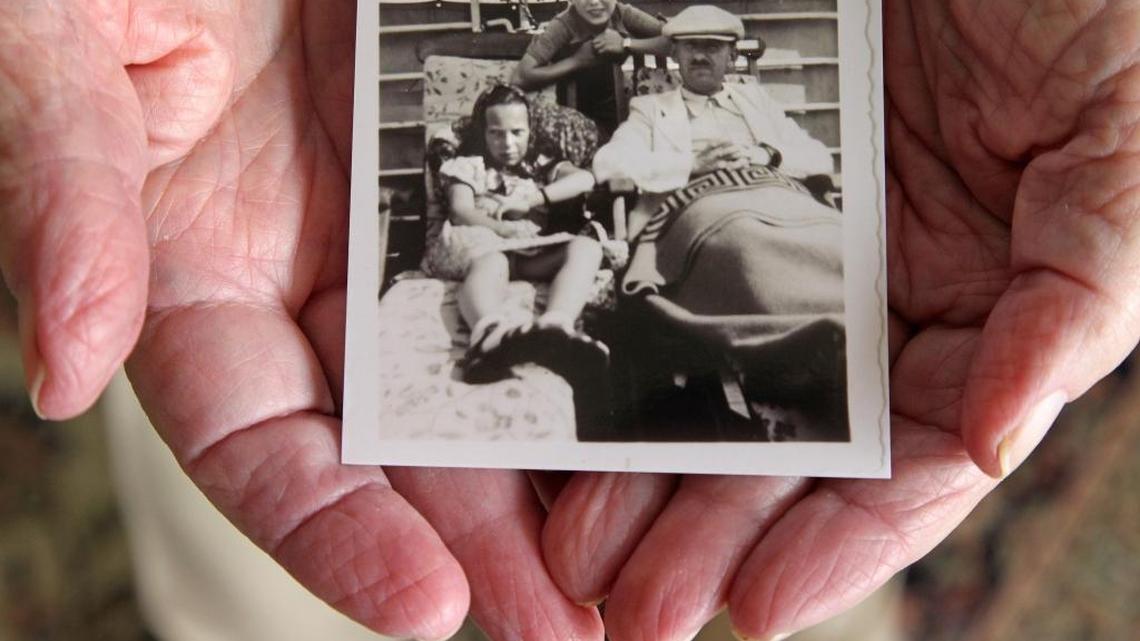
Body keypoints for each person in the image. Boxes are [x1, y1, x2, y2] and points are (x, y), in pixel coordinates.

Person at [2, 1, 1137, 641]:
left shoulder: (721, 104)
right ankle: (528, 338)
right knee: (302, 551)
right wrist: (567, 143)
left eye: (711, 53)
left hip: (763, 204)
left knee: (791, 488)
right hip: (651, 220)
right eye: (683, 53)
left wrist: (723, 132)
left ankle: (681, 344)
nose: (697, 64)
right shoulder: (564, 130)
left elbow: (800, 162)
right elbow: (585, 166)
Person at [423, 84, 608, 385]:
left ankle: (556, 327)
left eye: (516, 132)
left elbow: (586, 178)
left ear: (529, 132)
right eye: (496, 133)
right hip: (475, 245)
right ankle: (488, 334)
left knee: (586, 247)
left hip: (523, 250)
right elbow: (461, 211)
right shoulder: (468, 165)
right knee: (493, 261)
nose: (507, 143)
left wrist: (532, 200)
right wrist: (503, 229)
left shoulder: (538, 164)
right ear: (482, 134)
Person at [512, 0, 671, 136]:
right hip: (576, 124)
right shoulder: (564, 24)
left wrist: (626, 43)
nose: (594, 2)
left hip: (624, 120)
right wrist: (577, 61)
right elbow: (520, 77)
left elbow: (676, 40)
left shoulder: (622, 14)